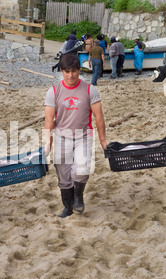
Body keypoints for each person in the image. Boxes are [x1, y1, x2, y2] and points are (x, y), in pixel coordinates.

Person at [44, 54, 107, 218]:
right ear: (62, 71)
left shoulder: (89, 89)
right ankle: (68, 206)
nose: (70, 75)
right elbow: (49, 120)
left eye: (74, 71)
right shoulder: (53, 91)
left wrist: (103, 141)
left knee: (82, 169)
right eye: (67, 71)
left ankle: (78, 195)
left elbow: (99, 116)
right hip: (61, 136)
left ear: (79, 71)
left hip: (83, 135)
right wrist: (47, 145)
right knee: (64, 175)